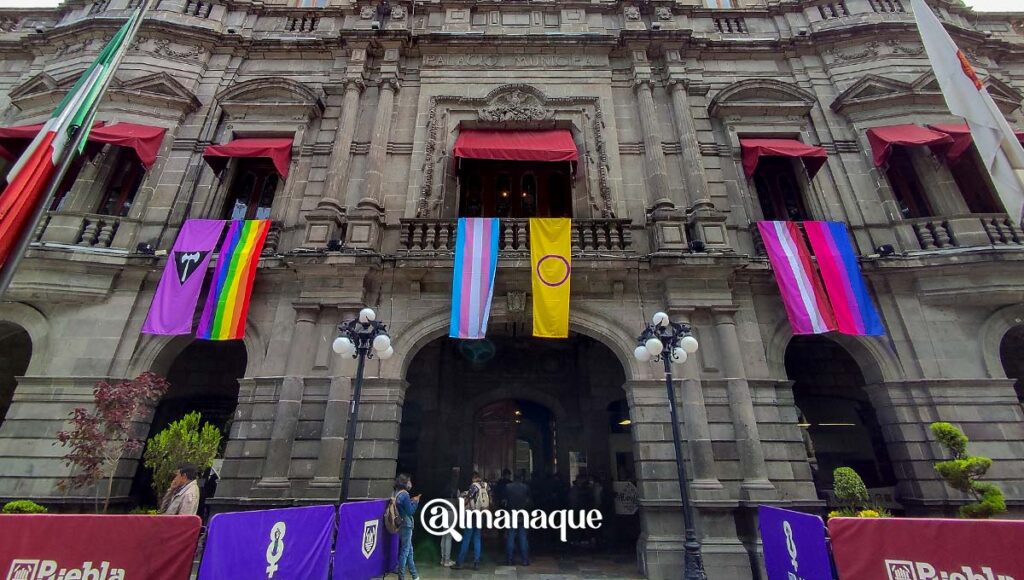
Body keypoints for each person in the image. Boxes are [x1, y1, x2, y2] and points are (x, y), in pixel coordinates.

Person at [452, 472, 488, 571]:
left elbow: (468, 499)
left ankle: (459, 562)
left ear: (473, 478)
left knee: (467, 538)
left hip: (472, 515)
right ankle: (476, 562)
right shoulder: (485, 486)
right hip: (481, 514)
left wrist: (462, 501)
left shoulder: (473, 486)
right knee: (477, 538)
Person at [393, 473, 421, 580]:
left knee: (409, 550)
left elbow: (402, 507)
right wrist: (416, 502)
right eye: (409, 481)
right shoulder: (405, 494)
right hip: (407, 524)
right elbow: (410, 511)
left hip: (400, 524)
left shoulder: (397, 493)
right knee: (405, 551)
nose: (410, 483)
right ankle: (401, 577)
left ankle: (415, 576)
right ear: (405, 482)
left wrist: (411, 501)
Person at [504, 471, 531, 566]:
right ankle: (524, 560)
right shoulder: (525, 487)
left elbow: (505, 501)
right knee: (523, 538)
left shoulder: (508, 487)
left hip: (512, 514)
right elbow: (528, 501)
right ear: (521, 478)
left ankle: (509, 559)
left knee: (511, 537)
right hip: (522, 515)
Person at [440, 467, 461, 567]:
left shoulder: (445, 486)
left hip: (444, 510)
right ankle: (447, 560)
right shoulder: (456, 488)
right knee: (449, 537)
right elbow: (459, 501)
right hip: (451, 512)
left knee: (444, 536)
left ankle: (443, 558)